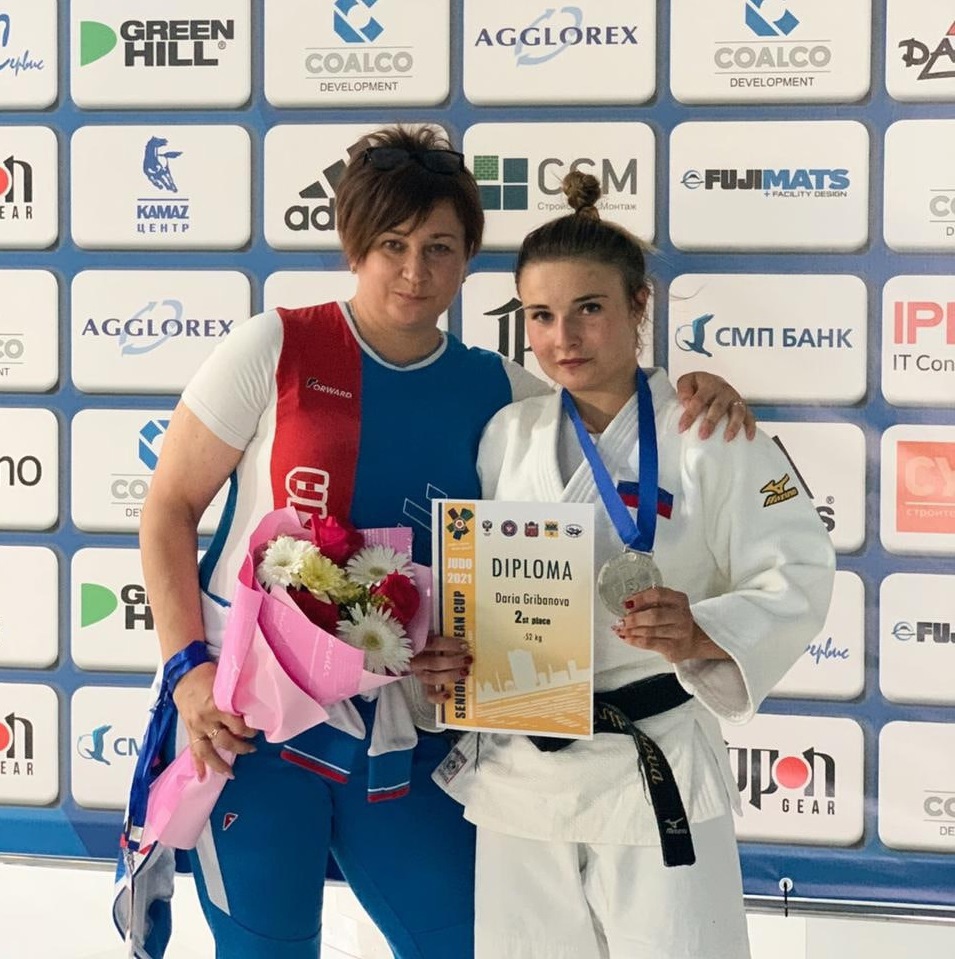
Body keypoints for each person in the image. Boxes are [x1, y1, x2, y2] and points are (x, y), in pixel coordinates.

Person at [121, 126, 756, 959]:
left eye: (439, 248)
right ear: (354, 244)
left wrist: (696, 393)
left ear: (467, 260)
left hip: (413, 739)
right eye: (392, 244)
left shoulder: (503, 391)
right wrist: (188, 673)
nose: (414, 271)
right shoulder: (275, 345)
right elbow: (168, 507)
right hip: (252, 731)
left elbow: (614, 415)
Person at [422, 171, 836, 959]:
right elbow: (476, 585)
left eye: (589, 308)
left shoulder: (709, 431)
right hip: (523, 768)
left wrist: (699, 629)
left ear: (639, 305)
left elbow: (798, 571)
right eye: (540, 315)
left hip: (655, 758)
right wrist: (450, 657)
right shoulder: (507, 434)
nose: (563, 337)